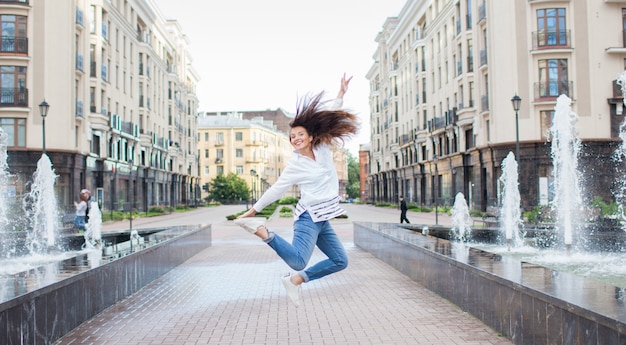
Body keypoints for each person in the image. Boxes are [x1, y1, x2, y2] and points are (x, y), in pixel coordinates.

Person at [234, 73, 359, 307]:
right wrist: (253, 211)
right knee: (299, 260)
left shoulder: (322, 148)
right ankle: (262, 231)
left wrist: (341, 93)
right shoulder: (294, 165)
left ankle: (295, 281)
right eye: (292, 136)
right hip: (308, 217)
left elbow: (330, 115)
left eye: (300, 134)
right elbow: (276, 190)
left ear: (311, 137)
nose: (296, 138)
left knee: (340, 260)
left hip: (322, 218)